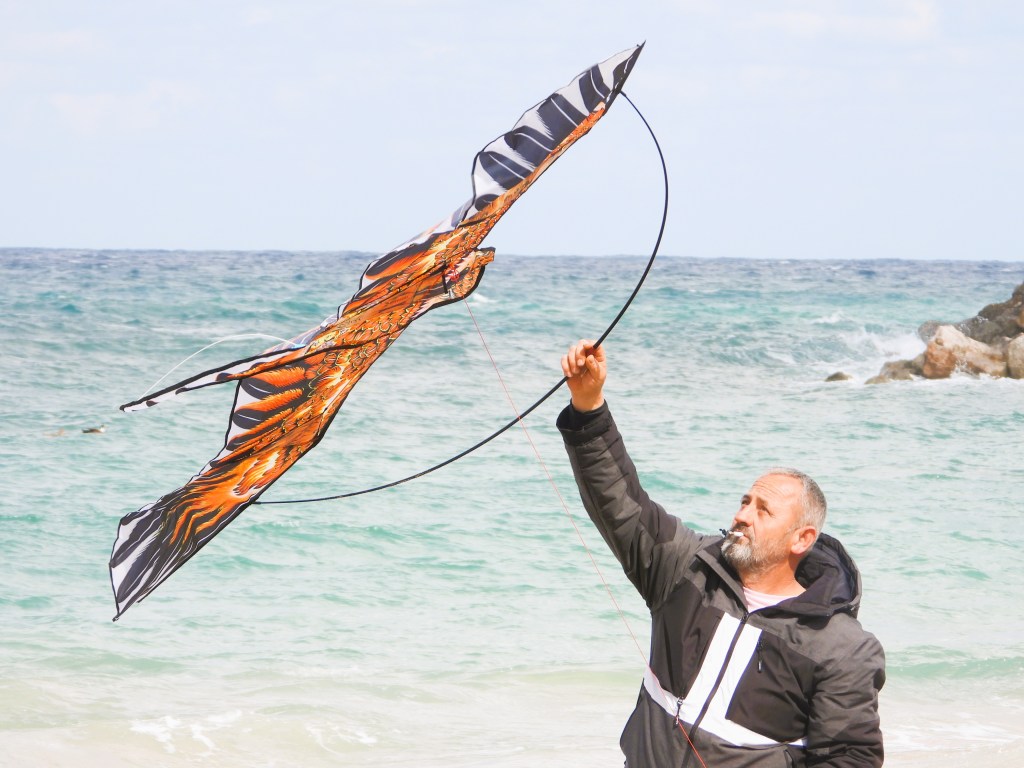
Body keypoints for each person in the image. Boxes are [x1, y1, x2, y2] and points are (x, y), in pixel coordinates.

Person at [557, 340, 885, 768]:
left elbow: (849, 759)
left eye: (763, 509)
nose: (743, 515)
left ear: (801, 539)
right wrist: (589, 406)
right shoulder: (686, 568)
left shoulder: (841, 648)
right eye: (745, 501)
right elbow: (620, 503)